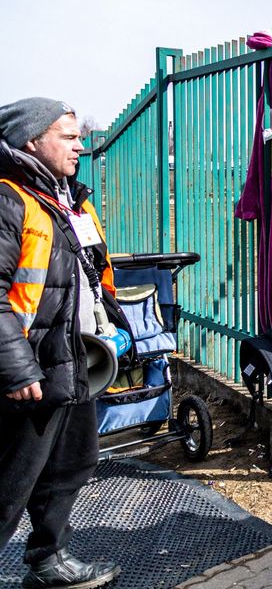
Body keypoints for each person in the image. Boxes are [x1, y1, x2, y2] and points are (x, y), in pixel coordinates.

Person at [0, 98, 122, 589]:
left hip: (72, 363)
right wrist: (17, 368)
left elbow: (88, 276)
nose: (81, 145)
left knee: (68, 467)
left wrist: (113, 327)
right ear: (32, 141)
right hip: (27, 370)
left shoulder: (71, 199)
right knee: (10, 484)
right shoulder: (10, 200)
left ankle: (49, 562)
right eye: (69, 137)